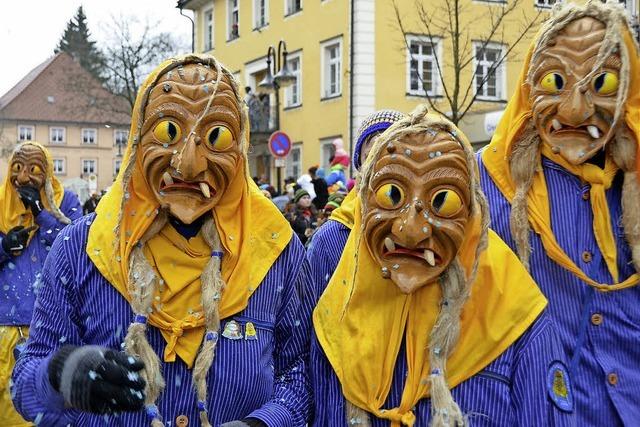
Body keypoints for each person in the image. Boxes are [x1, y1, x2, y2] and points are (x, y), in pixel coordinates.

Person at [11, 55, 312, 426]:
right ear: (139, 139)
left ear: (240, 149)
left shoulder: (275, 253)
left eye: (216, 137)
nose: (188, 163)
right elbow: (24, 387)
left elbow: (298, 375)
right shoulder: (82, 248)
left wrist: (264, 423)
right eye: (168, 131)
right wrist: (60, 375)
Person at [310, 106, 573, 426]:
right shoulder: (337, 314)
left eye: (442, 201)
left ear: (472, 210)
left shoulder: (515, 313)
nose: (410, 229)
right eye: (391, 194)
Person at [477, 2, 640, 424]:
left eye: (601, 83)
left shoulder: (635, 177)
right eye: (555, 81)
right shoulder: (486, 184)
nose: (574, 110)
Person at [0, 141, 82, 426]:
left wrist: (40, 213)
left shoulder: (66, 202)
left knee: (51, 411)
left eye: (33, 169)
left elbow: (78, 246)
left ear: (46, 173)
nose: (23, 178)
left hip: (53, 329)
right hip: (6, 329)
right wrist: (3, 246)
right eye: (17, 169)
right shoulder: (1, 205)